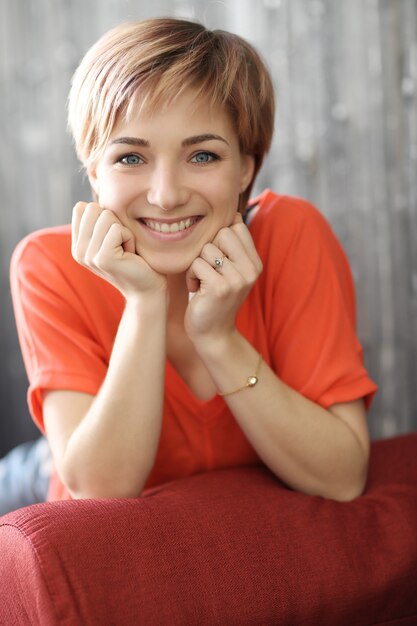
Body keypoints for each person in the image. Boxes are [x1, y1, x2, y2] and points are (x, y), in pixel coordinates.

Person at [10, 17, 377, 506]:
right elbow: (100, 491)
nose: (166, 196)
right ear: (94, 170)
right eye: (130, 158)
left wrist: (219, 338)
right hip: (41, 475)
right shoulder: (48, 263)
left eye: (202, 156)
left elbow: (341, 477)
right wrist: (144, 303)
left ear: (246, 167)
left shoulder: (291, 235)